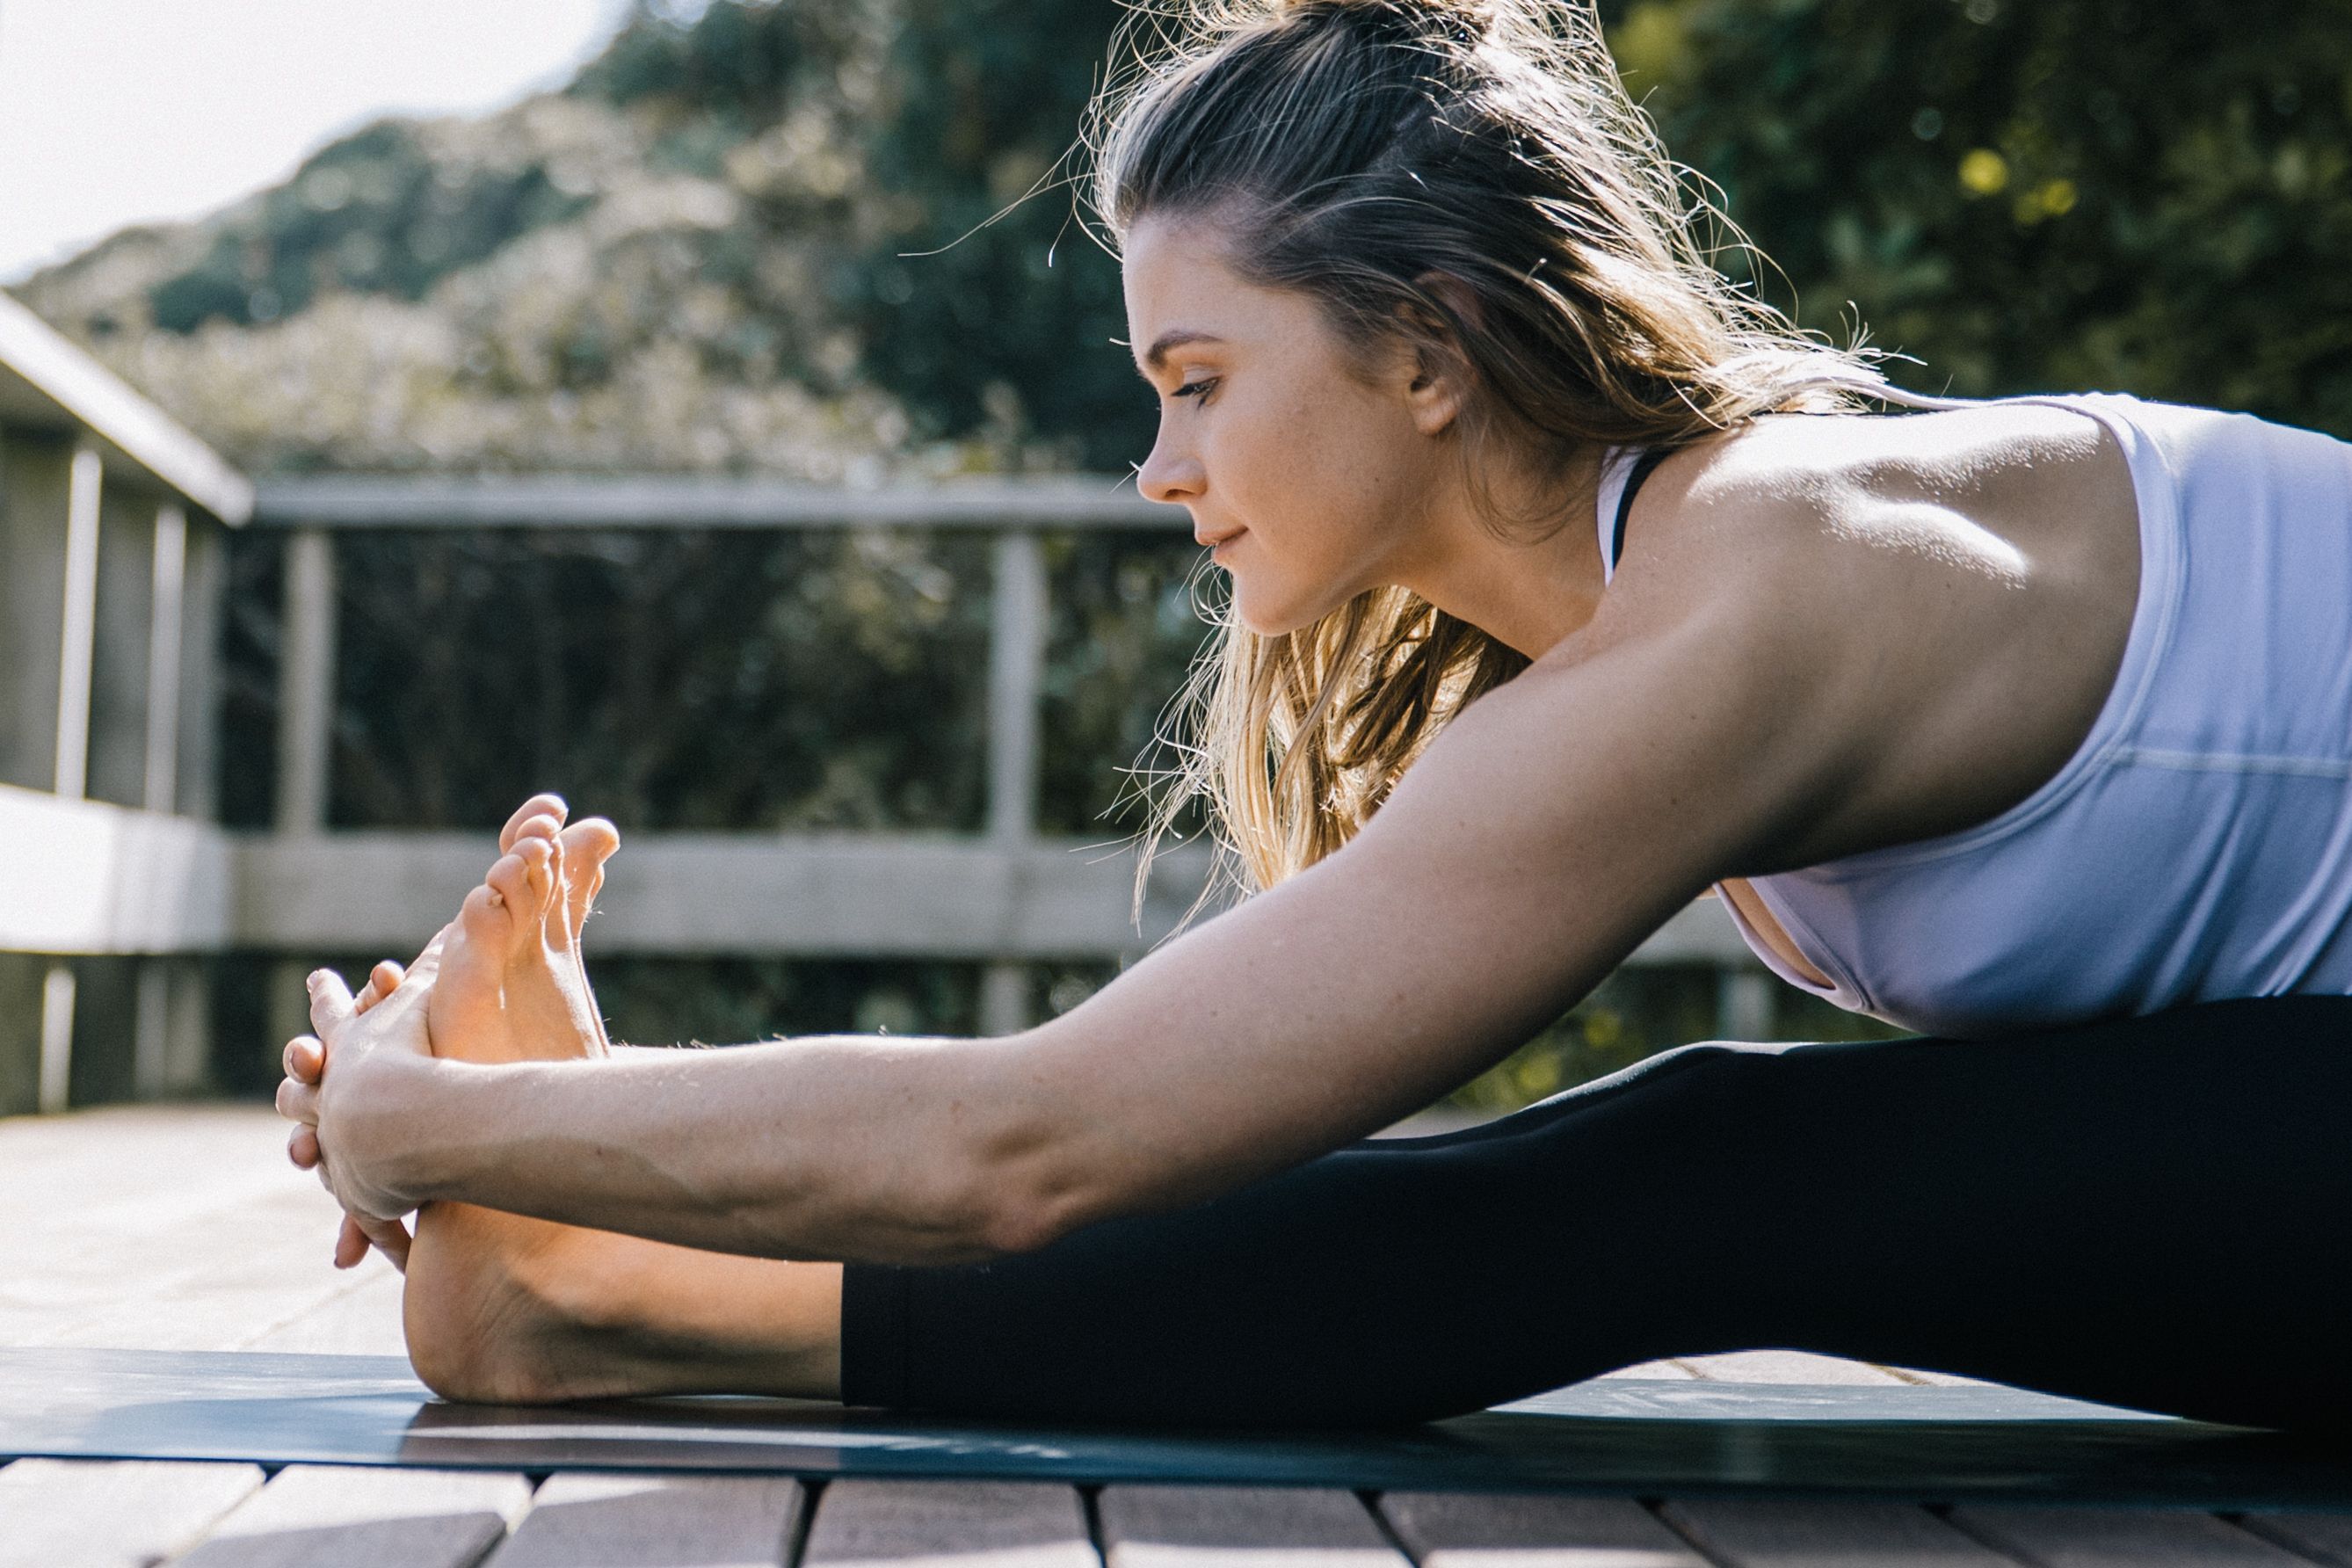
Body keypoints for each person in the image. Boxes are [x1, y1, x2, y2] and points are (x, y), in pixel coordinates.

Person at [277, 0, 2352, 1429]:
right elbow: (1115, 1121)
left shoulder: (1760, 592)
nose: (1157, 466)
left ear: (1428, 353)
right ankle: (587, 1292)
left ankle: (601, 1299)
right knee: (1701, 1167)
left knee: (1711, 1172)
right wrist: (542, 1140)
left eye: (1196, 378)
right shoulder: (1662, 598)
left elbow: (1028, 1142)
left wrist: (430, 1121)